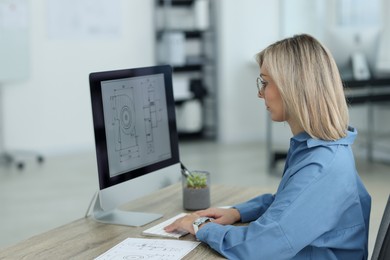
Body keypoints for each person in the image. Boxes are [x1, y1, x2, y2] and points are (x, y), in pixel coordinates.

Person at [165, 34, 371, 259]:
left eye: (265, 82)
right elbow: (288, 202)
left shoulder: (321, 166)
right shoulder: (319, 147)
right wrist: (237, 212)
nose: (260, 93)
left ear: (293, 87)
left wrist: (200, 226)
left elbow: (260, 248)